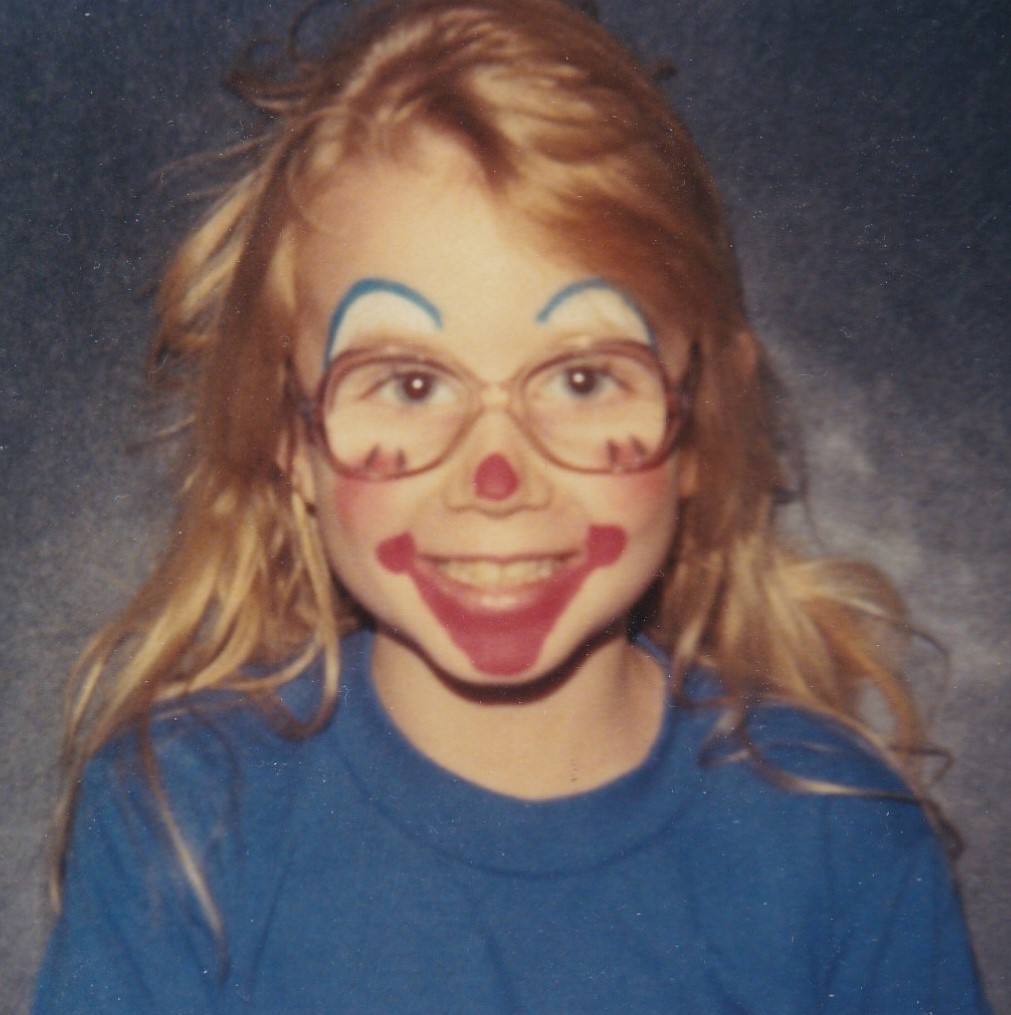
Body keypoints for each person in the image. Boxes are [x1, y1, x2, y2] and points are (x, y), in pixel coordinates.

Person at [34, 0, 990, 1011]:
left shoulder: (841, 839)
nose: (496, 479)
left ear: (705, 416)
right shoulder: (185, 820)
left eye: (582, 378)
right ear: (289, 434)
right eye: (409, 383)